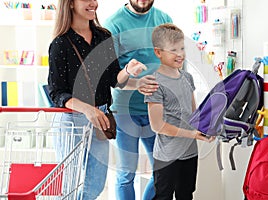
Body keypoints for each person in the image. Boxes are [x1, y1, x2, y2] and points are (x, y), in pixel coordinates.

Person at [47, 0, 157, 199]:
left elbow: (114, 79)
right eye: (86, 0)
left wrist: (128, 71)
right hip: (72, 120)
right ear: (70, 4)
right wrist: (88, 110)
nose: (93, 3)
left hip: (101, 117)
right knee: (68, 186)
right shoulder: (60, 43)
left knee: (95, 185)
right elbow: (57, 93)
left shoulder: (103, 36)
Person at [103, 0, 173, 199]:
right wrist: (136, 82)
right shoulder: (113, 25)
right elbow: (112, 78)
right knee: (126, 174)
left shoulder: (164, 20)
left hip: (156, 108)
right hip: (125, 109)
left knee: (162, 171)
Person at [144, 23, 215, 200]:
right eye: (173, 50)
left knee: (186, 195)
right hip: (167, 157)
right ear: (158, 52)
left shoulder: (187, 77)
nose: (180, 54)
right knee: (163, 196)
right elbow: (157, 126)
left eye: (182, 48)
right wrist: (192, 134)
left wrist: (206, 129)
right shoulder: (154, 83)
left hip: (190, 153)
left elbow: (194, 114)